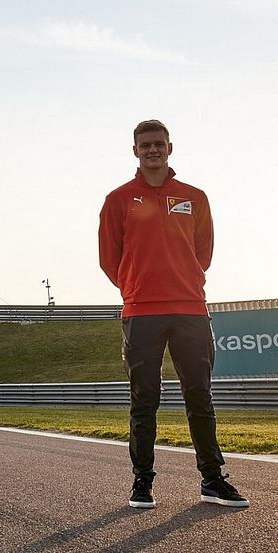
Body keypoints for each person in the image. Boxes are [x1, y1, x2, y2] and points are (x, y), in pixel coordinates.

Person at [99, 119, 248, 510]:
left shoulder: (194, 196)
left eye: (159, 144)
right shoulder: (118, 199)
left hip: (190, 310)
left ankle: (213, 481)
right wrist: (136, 289)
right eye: (145, 144)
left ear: (170, 147)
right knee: (144, 398)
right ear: (135, 151)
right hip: (142, 312)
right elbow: (108, 257)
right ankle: (142, 482)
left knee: (199, 395)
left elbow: (204, 253)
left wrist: (182, 282)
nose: (153, 150)